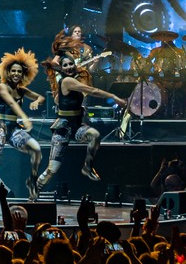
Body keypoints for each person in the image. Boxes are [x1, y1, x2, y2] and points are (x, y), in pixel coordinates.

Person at [33, 53, 122, 196]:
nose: (69, 67)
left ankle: (87, 166)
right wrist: (114, 97)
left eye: (71, 64)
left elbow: (57, 100)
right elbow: (92, 91)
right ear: (62, 68)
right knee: (52, 169)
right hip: (63, 128)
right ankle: (35, 191)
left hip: (76, 126)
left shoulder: (71, 81)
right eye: (65, 65)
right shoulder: (67, 81)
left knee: (95, 135)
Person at [0, 48, 45, 206]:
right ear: (7, 72)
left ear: (23, 73)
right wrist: (24, 117)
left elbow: (41, 97)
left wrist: (36, 101)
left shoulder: (22, 90)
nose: (16, 74)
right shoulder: (2, 87)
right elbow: (12, 103)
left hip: (13, 130)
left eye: (19, 71)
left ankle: (32, 180)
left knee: (36, 149)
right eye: (13, 71)